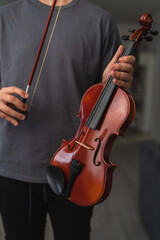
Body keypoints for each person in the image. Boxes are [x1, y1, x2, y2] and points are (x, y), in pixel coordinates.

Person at [0, 0, 135, 239]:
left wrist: (109, 85)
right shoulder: (4, 17)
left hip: (80, 165)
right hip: (13, 162)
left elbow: (111, 106)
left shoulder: (100, 21)